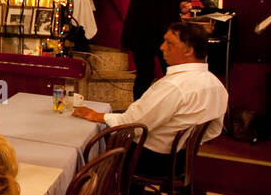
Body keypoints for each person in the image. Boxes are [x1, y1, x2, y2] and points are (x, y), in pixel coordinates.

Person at [73, 21, 227, 178]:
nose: (162, 47)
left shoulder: (174, 86)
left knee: (89, 139)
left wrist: (97, 116)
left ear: (189, 50)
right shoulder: (216, 85)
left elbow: (135, 122)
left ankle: (89, 191)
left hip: (152, 161)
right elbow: (214, 130)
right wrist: (184, 143)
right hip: (182, 159)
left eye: (169, 43)